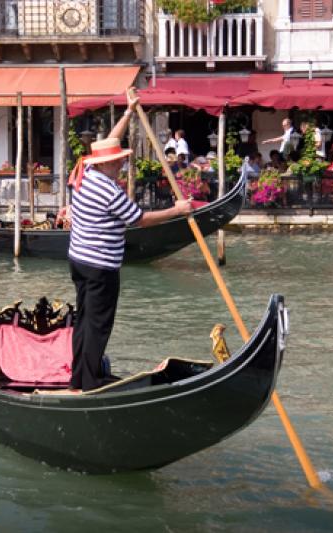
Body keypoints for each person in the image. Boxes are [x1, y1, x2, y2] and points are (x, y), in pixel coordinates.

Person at [67, 93, 193, 391]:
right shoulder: (110, 191)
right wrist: (177, 210)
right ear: (108, 164)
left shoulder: (84, 173)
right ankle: (89, 384)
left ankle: (80, 378)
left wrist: (127, 114)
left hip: (78, 261)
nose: (121, 166)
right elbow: (139, 219)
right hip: (100, 267)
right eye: (118, 162)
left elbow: (108, 141)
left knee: (84, 320)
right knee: (97, 326)